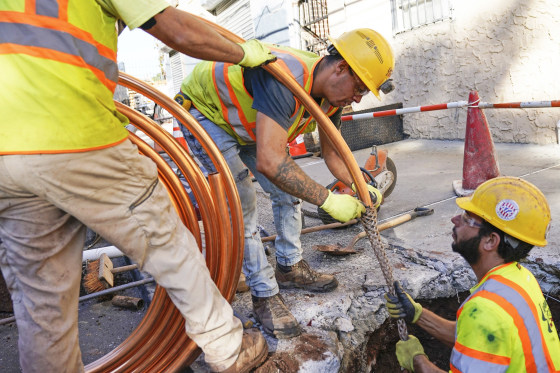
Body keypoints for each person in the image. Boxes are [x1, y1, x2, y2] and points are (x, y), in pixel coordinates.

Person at [0, 1, 278, 372]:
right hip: (76, 136)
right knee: (167, 242)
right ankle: (228, 348)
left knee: (42, 303)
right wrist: (243, 52)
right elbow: (176, 30)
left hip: (4, 157)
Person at [175, 28, 395, 339]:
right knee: (243, 203)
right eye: (359, 87)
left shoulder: (332, 97)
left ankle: (289, 267)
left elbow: (333, 154)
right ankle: (264, 295)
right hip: (207, 113)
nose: (358, 98)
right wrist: (329, 201)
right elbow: (271, 161)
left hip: (249, 124)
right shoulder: (285, 80)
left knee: (286, 191)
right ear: (340, 68)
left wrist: (362, 186)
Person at [384, 176, 560, 372]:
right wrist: (418, 314)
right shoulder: (520, 278)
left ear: (491, 241)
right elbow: (477, 337)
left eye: (467, 218)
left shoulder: (486, 308)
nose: (454, 219)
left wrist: (418, 362)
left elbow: (482, 325)